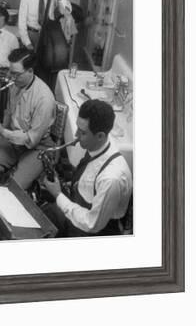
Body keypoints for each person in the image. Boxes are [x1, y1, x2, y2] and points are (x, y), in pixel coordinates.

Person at [41, 99, 132, 237]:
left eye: (83, 132)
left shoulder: (111, 178)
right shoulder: (97, 145)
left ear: (100, 136)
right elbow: (89, 174)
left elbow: (92, 224)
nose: (76, 135)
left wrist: (58, 195)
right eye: (78, 128)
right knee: (43, 215)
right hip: (80, 208)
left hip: (95, 231)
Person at [0, 48, 56, 190]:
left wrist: (2, 132)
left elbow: (31, 139)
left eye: (15, 74)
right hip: (12, 139)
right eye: (10, 71)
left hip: (37, 147)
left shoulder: (44, 99)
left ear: (30, 71)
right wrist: (1, 132)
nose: (11, 77)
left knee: (14, 188)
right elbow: (9, 112)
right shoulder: (15, 85)